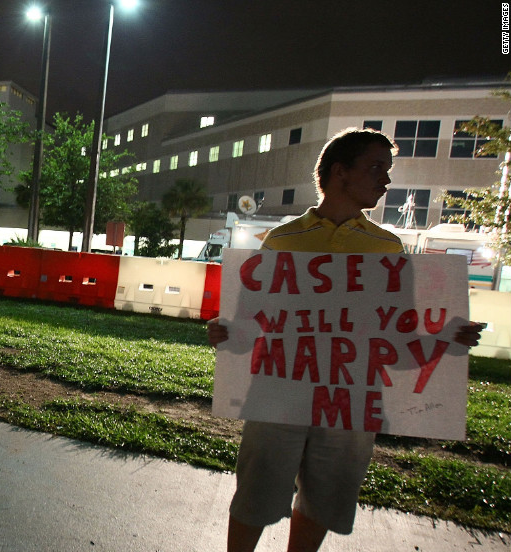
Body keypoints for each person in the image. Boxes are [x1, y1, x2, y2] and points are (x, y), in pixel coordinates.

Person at [207, 128, 483, 552]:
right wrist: (225, 335)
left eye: (386, 171)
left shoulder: (388, 249)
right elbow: (249, 329)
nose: (385, 181)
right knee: (256, 494)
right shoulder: (283, 241)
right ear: (340, 172)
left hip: (351, 401)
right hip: (279, 393)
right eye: (376, 168)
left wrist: (445, 339)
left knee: (323, 499)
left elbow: (396, 344)